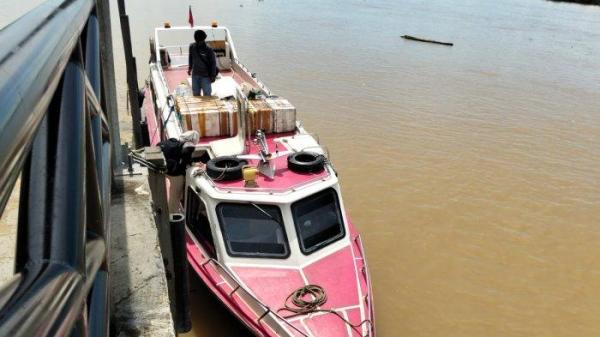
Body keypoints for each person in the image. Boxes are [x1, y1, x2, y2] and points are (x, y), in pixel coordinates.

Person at [187, 30, 217, 96]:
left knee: (207, 95)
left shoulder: (209, 49)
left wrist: (213, 75)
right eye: (197, 40)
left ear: (203, 39)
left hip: (205, 76)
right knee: (196, 94)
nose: (199, 42)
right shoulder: (192, 47)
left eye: (200, 40)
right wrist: (190, 68)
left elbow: (213, 63)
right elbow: (190, 58)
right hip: (195, 75)